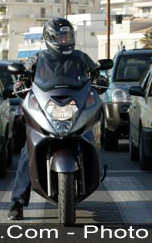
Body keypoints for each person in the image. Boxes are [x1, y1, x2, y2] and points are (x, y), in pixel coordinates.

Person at [7, 17, 98, 221]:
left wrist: (100, 77)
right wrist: (20, 83)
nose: (64, 40)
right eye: (60, 36)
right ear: (49, 38)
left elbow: (95, 72)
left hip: (73, 108)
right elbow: (24, 75)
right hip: (48, 109)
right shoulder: (39, 59)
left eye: (67, 35)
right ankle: (17, 203)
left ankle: (92, 176)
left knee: (90, 137)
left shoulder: (80, 58)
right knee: (27, 150)